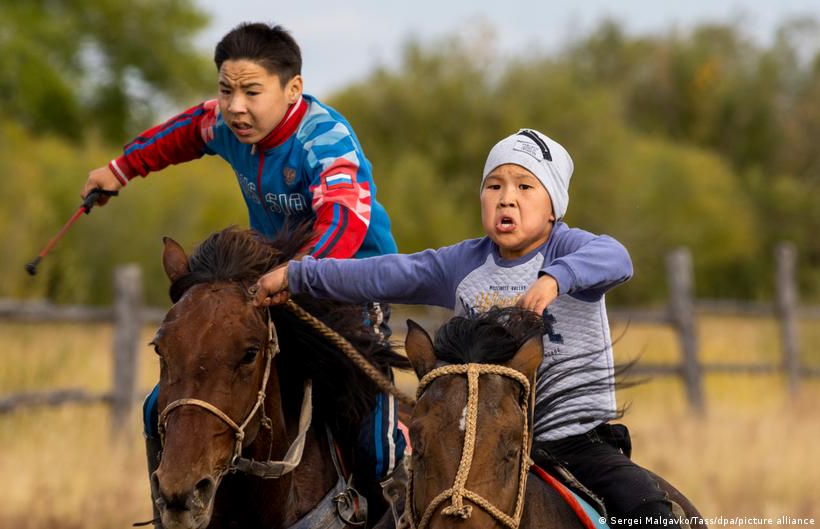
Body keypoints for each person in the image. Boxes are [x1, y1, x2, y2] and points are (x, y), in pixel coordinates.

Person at [255, 128, 685, 526]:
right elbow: (384, 273)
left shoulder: (569, 249)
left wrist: (555, 279)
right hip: (475, 448)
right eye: (494, 185)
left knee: (648, 509)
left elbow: (617, 258)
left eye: (524, 186)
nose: (506, 198)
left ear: (553, 205)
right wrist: (297, 275)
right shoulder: (462, 264)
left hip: (576, 444)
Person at [81, 22, 405, 525]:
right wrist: (120, 170)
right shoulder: (227, 126)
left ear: (291, 89)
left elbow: (345, 216)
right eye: (226, 90)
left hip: (346, 285)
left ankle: (395, 499)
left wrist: (300, 275)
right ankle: (175, 510)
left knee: (373, 433)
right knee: (156, 407)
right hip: (266, 285)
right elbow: (184, 132)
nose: (235, 106)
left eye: (251, 92)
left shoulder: (325, 139)